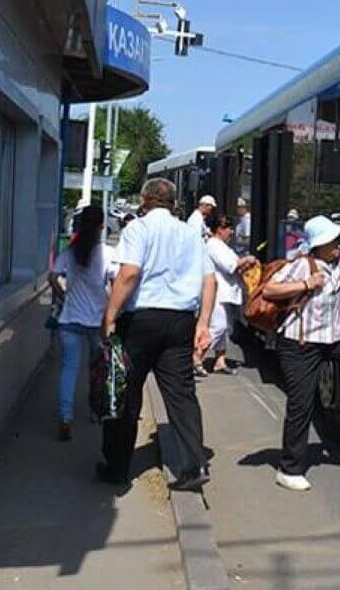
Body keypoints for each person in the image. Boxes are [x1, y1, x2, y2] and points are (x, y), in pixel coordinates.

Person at [99, 178, 217, 491]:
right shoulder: (191, 233)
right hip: (180, 322)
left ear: (144, 200)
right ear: (173, 202)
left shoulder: (138, 228)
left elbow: (129, 273)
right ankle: (195, 464)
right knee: (181, 394)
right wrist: (203, 324)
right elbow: (210, 281)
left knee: (125, 391)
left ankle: (117, 467)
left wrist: (110, 315)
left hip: (141, 320)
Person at [261, 216, 340, 491]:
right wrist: (306, 284)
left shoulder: (339, 261)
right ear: (318, 245)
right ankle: (289, 468)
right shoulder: (301, 264)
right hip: (300, 345)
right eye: (333, 241)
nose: (338, 244)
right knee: (301, 404)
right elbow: (269, 289)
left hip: (333, 338)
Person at [49, 205, 113, 441]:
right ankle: (96, 411)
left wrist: (62, 295)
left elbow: (52, 276)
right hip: (97, 321)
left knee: (69, 370)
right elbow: (115, 283)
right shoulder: (107, 253)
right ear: (101, 226)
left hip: (69, 319)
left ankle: (65, 418)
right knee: (97, 370)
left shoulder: (70, 252)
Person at [198, 211, 258, 376]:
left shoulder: (221, 245)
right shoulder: (213, 245)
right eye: (229, 228)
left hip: (226, 292)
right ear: (220, 229)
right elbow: (230, 265)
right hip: (217, 292)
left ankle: (220, 361)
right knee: (218, 327)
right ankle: (195, 358)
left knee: (226, 329)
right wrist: (248, 259)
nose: (231, 232)